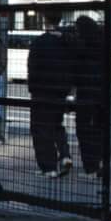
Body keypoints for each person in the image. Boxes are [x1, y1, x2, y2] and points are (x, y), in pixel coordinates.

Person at [26, 19, 75, 178]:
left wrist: (32, 87)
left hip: (41, 91)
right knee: (56, 125)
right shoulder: (66, 42)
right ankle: (65, 155)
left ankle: (48, 168)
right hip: (60, 91)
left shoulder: (39, 42)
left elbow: (32, 67)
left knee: (40, 129)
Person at [67, 15, 111, 177]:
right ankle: (99, 163)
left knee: (84, 131)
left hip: (85, 94)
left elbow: (74, 70)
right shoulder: (103, 43)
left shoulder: (80, 46)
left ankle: (90, 166)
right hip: (102, 93)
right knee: (99, 129)